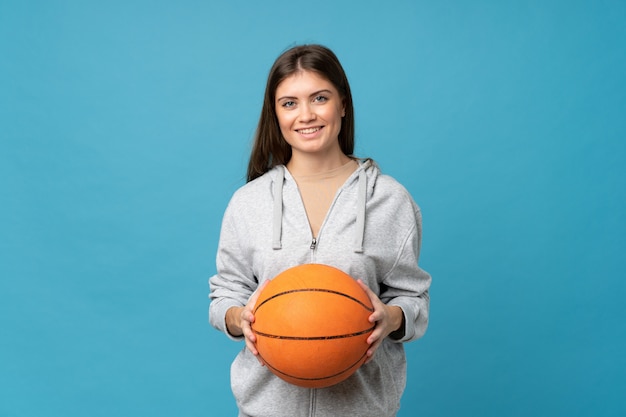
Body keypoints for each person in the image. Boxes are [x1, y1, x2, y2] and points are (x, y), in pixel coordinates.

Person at [209, 44, 431, 417]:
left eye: (319, 98)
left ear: (342, 104)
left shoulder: (390, 200)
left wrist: (391, 317)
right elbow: (225, 294)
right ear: (275, 113)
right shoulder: (248, 202)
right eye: (289, 103)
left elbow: (414, 300)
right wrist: (238, 316)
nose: (306, 115)